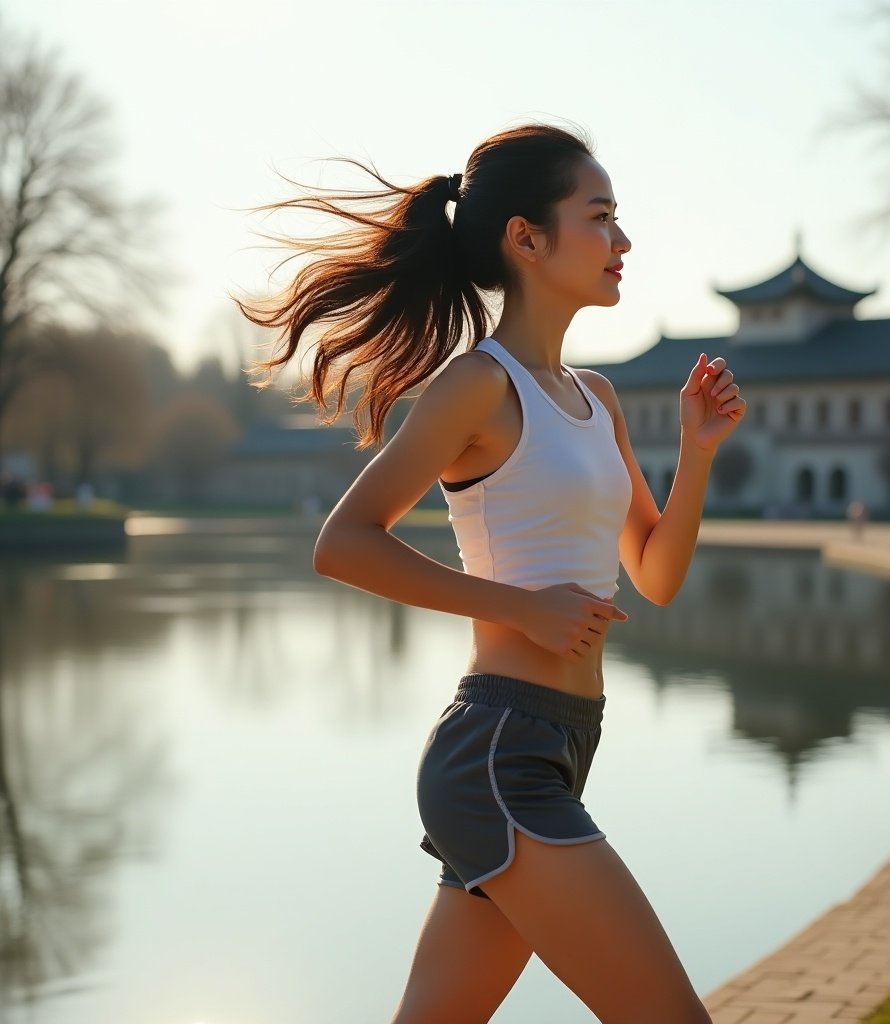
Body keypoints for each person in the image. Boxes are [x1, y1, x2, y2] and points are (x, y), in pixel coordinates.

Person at [239, 122, 744, 1024]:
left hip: (562, 739)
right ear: (526, 238)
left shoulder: (597, 398)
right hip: (501, 750)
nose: (623, 242)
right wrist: (522, 609)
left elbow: (656, 575)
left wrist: (698, 452)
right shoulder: (478, 385)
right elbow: (345, 541)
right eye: (601, 217)